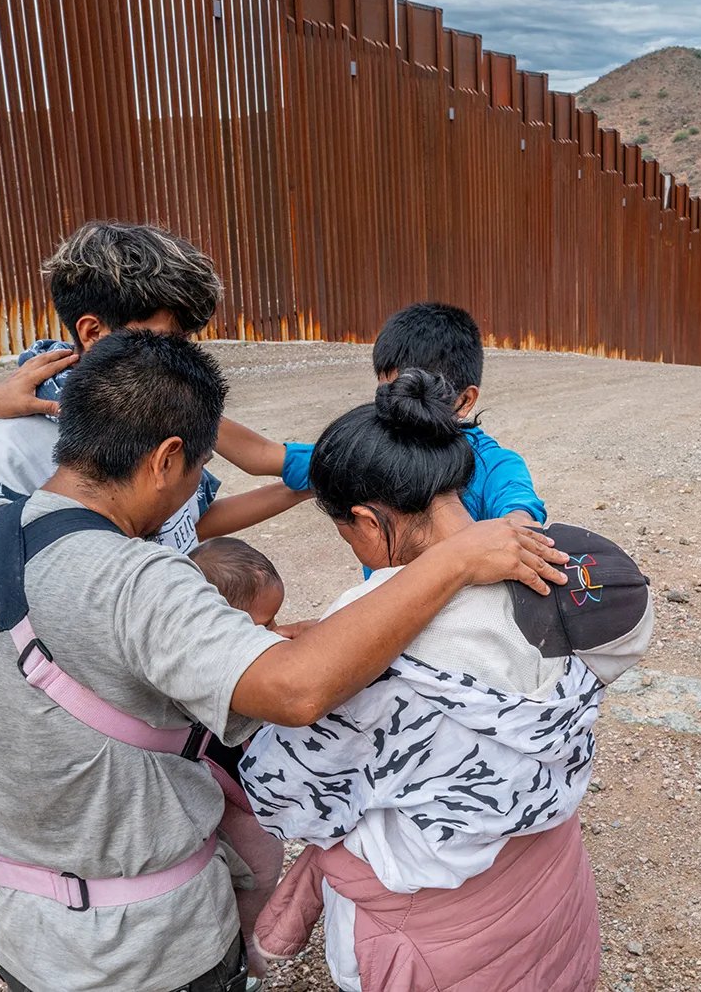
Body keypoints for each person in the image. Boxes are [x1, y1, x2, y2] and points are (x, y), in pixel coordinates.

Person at [0, 333, 568, 992]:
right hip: (154, 947)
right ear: (166, 458)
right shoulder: (142, 582)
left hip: (24, 933)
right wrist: (452, 559)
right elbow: (296, 695)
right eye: (198, 471)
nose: (195, 495)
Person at [240, 369, 653, 991]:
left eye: (345, 530)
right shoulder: (553, 568)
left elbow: (288, 797)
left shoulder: (362, 647)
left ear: (369, 523)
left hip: (431, 925)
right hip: (548, 880)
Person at [0, 221, 314, 553]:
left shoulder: (159, 403)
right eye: (168, 338)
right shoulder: (7, 451)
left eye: (187, 340)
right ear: (92, 333)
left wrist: (301, 489)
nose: (180, 354)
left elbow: (189, 523)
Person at [190, 537, 290, 987]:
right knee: (258, 872)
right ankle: (245, 951)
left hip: (228, 793)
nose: (273, 633)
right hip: (232, 800)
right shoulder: (212, 675)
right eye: (263, 623)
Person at [372, 301, 546, 528]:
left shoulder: (493, 465)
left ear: (465, 400)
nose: (398, 411)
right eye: (388, 394)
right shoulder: (370, 445)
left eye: (414, 398)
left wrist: (517, 524)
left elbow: (519, 511)